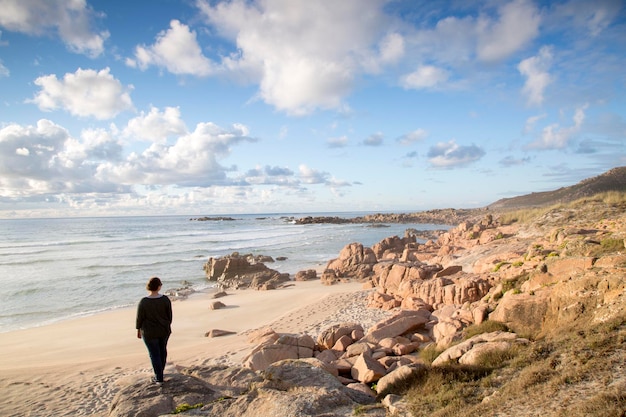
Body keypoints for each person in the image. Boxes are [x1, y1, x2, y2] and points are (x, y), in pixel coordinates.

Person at [136, 276, 172, 384]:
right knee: (162, 351)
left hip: (149, 332)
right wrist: (166, 325)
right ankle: (160, 373)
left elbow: (139, 318)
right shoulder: (165, 299)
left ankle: (159, 377)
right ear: (159, 287)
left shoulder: (144, 302)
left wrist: (138, 330)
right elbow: (169, 317)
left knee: (154, 354)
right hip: (163, 330)